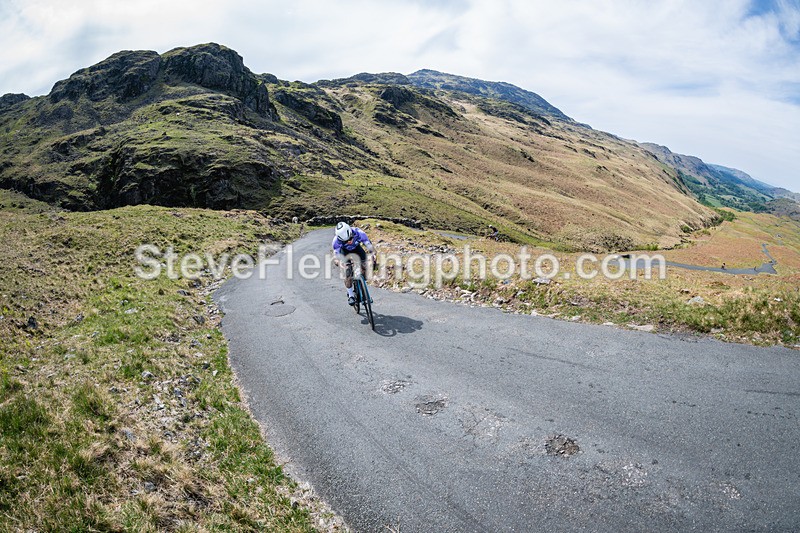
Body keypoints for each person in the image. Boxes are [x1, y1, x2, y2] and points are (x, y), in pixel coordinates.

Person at [332, 222, 376, 306]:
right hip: (344, 252)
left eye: (350, 238)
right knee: (347, 272)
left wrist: (373, 254)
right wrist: (339, 263)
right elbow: (336, 256)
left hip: (357, 249)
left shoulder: (359, 233)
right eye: (345, 241)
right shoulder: (336, 241)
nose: (349, 242)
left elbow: (368, 244)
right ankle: (351, 295)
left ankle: (363, 287)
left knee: (366, 266)